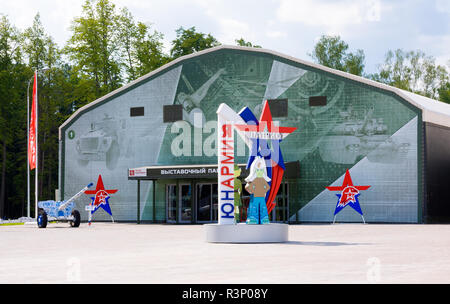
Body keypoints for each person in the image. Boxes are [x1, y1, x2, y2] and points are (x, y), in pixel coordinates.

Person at [244, 156, 271, 224]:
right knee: (254, 207)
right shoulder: (255, 180)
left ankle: (264, 219)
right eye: (258, 170)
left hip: (261, 196)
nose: (259, 172)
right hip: (256, 196)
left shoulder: (261, 180)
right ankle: (254, 218)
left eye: (261, 170)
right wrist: (251, 190)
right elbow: (248, 188)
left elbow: (267, 187)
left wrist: (263, 191)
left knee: (263, 208)